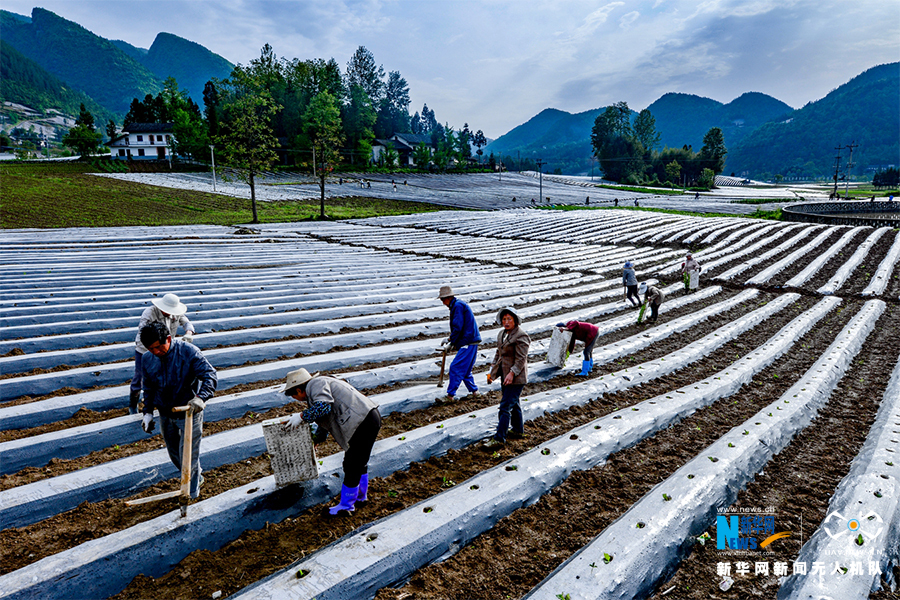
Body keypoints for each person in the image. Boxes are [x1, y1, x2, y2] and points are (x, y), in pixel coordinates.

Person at [283, 368, 381, 515]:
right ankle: (360, 497)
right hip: (369, 418)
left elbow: (323, 408)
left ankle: (347, 506)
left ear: (298, 390)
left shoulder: (316, 384)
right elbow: (324, 420)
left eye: (293, 395)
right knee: (359, 462)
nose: (295, 399)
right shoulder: (319, 388)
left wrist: (302, 416)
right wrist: (317, 440)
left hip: (362, 421)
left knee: (352, 464)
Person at [139, 322, 217, 499]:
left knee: (188, 456)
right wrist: (147, 412)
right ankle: (195, 477)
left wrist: (200, 398)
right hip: (165, 413)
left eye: (158, 347)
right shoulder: (147, 359)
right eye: (151, 349)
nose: (155, 352)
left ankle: (191, 494)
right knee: (175, 454)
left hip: (188, 412)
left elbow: (210, 375)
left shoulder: (188, 352)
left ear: (168, 338)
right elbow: (148, 387)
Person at [130, 294, 196, 414]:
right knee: (140, 378)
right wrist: (152, 351)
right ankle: (133, 404)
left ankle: (159, 400)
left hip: (165, 350)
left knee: (165, 375)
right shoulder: (150, 313)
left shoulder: (176, 313)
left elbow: (186, 323)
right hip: (145, 349)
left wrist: (189, 333)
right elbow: (143, 334)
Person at [485, 307, 531, 446]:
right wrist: (492, 370)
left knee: (505, 407)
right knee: (514, 404)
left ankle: (499, 439)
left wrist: (512, 373)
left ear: (515, 320)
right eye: (504, 319)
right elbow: (498, 353)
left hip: (516, 378)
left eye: (509, 319)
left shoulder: (521, 336)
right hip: (505, 375)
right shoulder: (502, 334)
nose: (506, 322)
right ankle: (517, 430)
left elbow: (521, 359)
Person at [438, 285, 482, 401]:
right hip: (471, 340)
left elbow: (458, 326)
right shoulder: (458, 305)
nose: (443, 303)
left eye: (443, 300)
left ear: (448, 298)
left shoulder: (457, 306)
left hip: (469, 341)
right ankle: (475, 392)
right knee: (465, 370)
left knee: (455, 367)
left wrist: (450, 340)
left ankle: (450, 396)